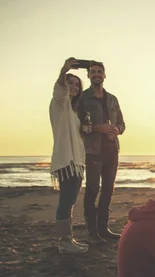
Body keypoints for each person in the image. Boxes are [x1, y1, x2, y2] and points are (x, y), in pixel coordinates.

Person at [79, 61, 125, 243]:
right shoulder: (83, 98)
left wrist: (117, 130)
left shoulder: (112, 99)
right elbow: (80, 125)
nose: (96, 74)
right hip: (93, 150)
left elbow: (122, 123)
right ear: (89, 76)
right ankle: (92, 232)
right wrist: (99, 128)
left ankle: (103, 228)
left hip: (112, 150)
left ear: (105, 75)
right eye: (93, 72)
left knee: (108, 190)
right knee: (92, 189)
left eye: (99, 71)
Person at [49, 57, 88, 254]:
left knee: (70, 201)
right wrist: (64, 70)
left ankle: (68, 239)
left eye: (77, 84)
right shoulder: (59, 103)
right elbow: (59, 90)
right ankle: (64, 243)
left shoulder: (73, 112)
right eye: (70, 83)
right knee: (66, 201)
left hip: (77, 162)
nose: (73, 86)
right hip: (67, 161)